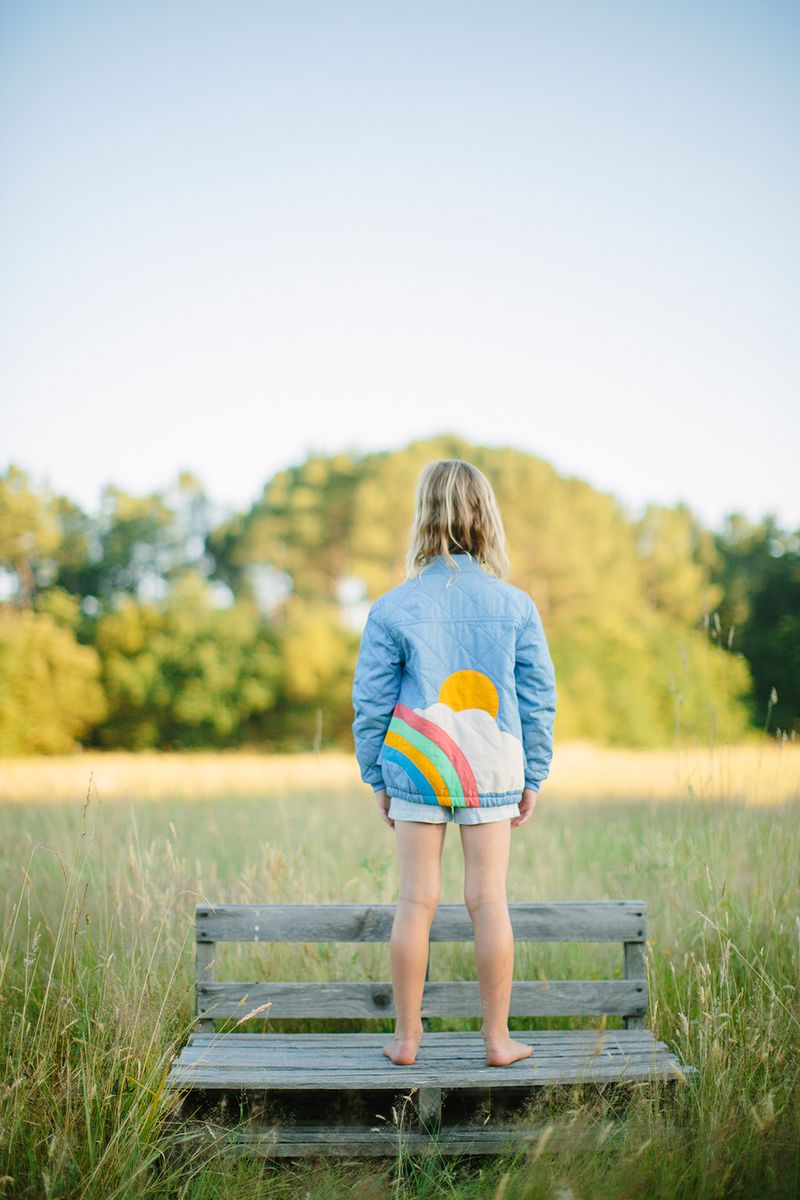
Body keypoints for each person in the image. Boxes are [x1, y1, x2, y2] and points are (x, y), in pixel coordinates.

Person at [352, 459, 557, 1067]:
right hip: (492, 765)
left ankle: (406, 1040)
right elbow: (537, 697)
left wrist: (376, 775)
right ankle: (497, 1041)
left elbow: (370, 700)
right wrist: (534, 773)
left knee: (415, 900)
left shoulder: (392, 607)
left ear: (423, 517)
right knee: (488, 899)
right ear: (485, 518)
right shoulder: (515, 605)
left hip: (418, 761)